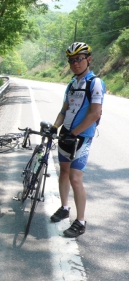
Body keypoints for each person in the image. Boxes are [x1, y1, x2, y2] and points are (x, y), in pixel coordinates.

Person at [50, 42, 105, 237]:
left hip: (82, 137)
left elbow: (95, 114)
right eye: (72, 60)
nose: (75, 63)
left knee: (75, 178)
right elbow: (64, 110)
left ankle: (80, 222)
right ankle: (65, 208)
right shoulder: (72, 84)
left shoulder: (95, 83)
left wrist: (73, 133)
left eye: (79, 59)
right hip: (66, 134)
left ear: (88, 59)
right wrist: (55, 127)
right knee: (63, 172)